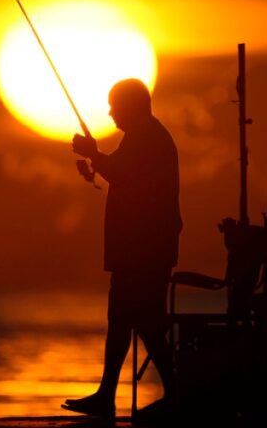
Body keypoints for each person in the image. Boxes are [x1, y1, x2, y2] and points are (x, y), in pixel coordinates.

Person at [62, 78, 182, 419]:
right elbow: (119, 170)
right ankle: (109, 394)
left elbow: (123, 174)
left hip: (144, 252)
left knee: (143, 322)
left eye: (115, 105)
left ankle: (172, 395)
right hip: (136, 251)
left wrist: (94, 154)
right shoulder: (142, 137)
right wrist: (96, 157)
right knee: (125, 321)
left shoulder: (150, 139)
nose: (111, 111)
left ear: (132, 106)